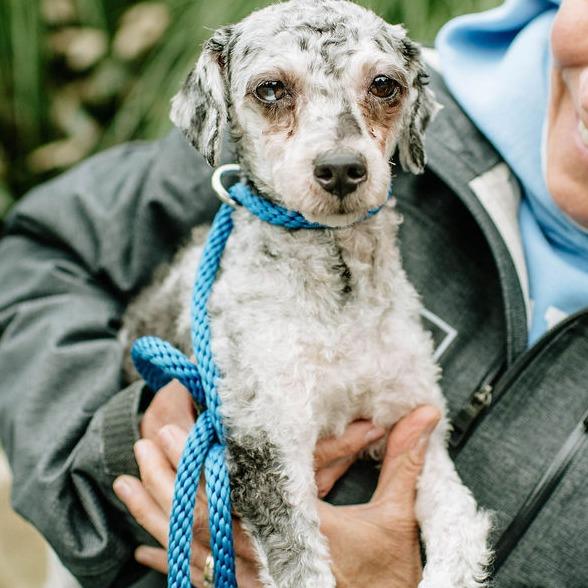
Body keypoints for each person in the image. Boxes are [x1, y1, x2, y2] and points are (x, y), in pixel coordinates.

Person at [0, 0, 586, 586]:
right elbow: (34, 255)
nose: (340, 154)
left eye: (380, 88)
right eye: (274, 93)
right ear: (222, 112)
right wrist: (118, 445)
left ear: (408, 110)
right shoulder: (235, 155)